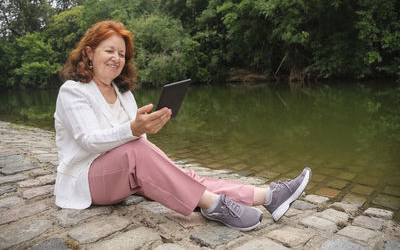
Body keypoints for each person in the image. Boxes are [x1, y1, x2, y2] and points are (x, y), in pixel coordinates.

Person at [54, 20, 312, 231]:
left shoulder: (124, 94)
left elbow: (137, 144)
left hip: (125, 174)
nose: (116, 58)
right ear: (89, 52)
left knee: (183, 175)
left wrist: (147, 132)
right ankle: (214, 206)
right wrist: (135, 129)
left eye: (121, 54)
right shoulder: (73, 91)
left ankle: (269, 197)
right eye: (109, 51)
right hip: (88, 182)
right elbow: (88, 140)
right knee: (138, 151)